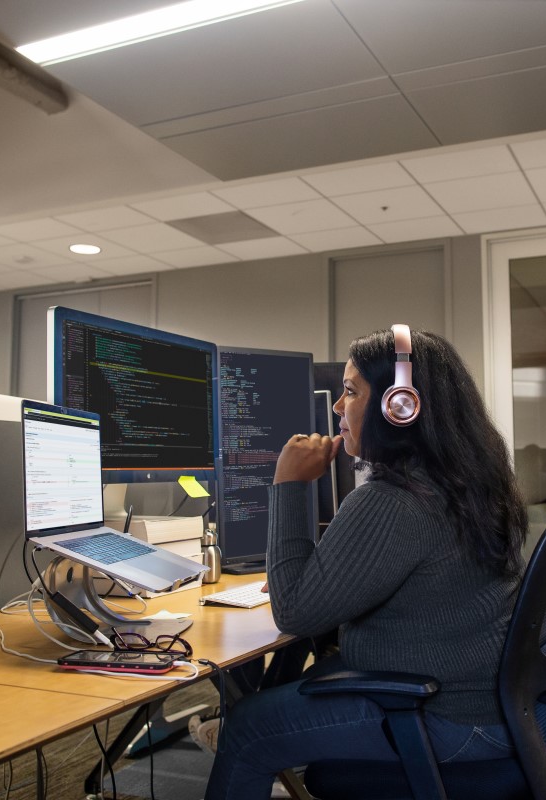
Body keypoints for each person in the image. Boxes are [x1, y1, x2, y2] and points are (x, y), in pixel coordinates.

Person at [203, 325, 527, 799]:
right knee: (290, 691)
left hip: (445, 719)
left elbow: (292, 612)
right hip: (493, 707)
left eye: (351, 391)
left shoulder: (395, 500)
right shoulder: (463, 482)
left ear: (399, 406)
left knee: (248, 729)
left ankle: (248, 753)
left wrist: (289, 483)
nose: (337, 406)